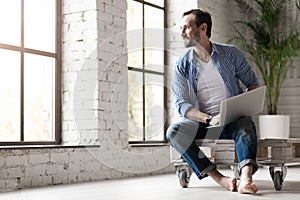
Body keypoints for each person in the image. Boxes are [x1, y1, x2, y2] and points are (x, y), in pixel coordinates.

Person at [167, 9, 260, 194]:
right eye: (181, 28)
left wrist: (247, 104)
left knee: (246, 125)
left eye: (186, 27)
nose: (182, 32)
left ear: (203, 28)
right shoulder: (182, 65)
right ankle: (221, 179)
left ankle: (246, 179)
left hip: (233, 120)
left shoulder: (230, 55)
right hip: (204, 123)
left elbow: (252, 83)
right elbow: (183, 106)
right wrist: (209, 119)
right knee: (174, 132)